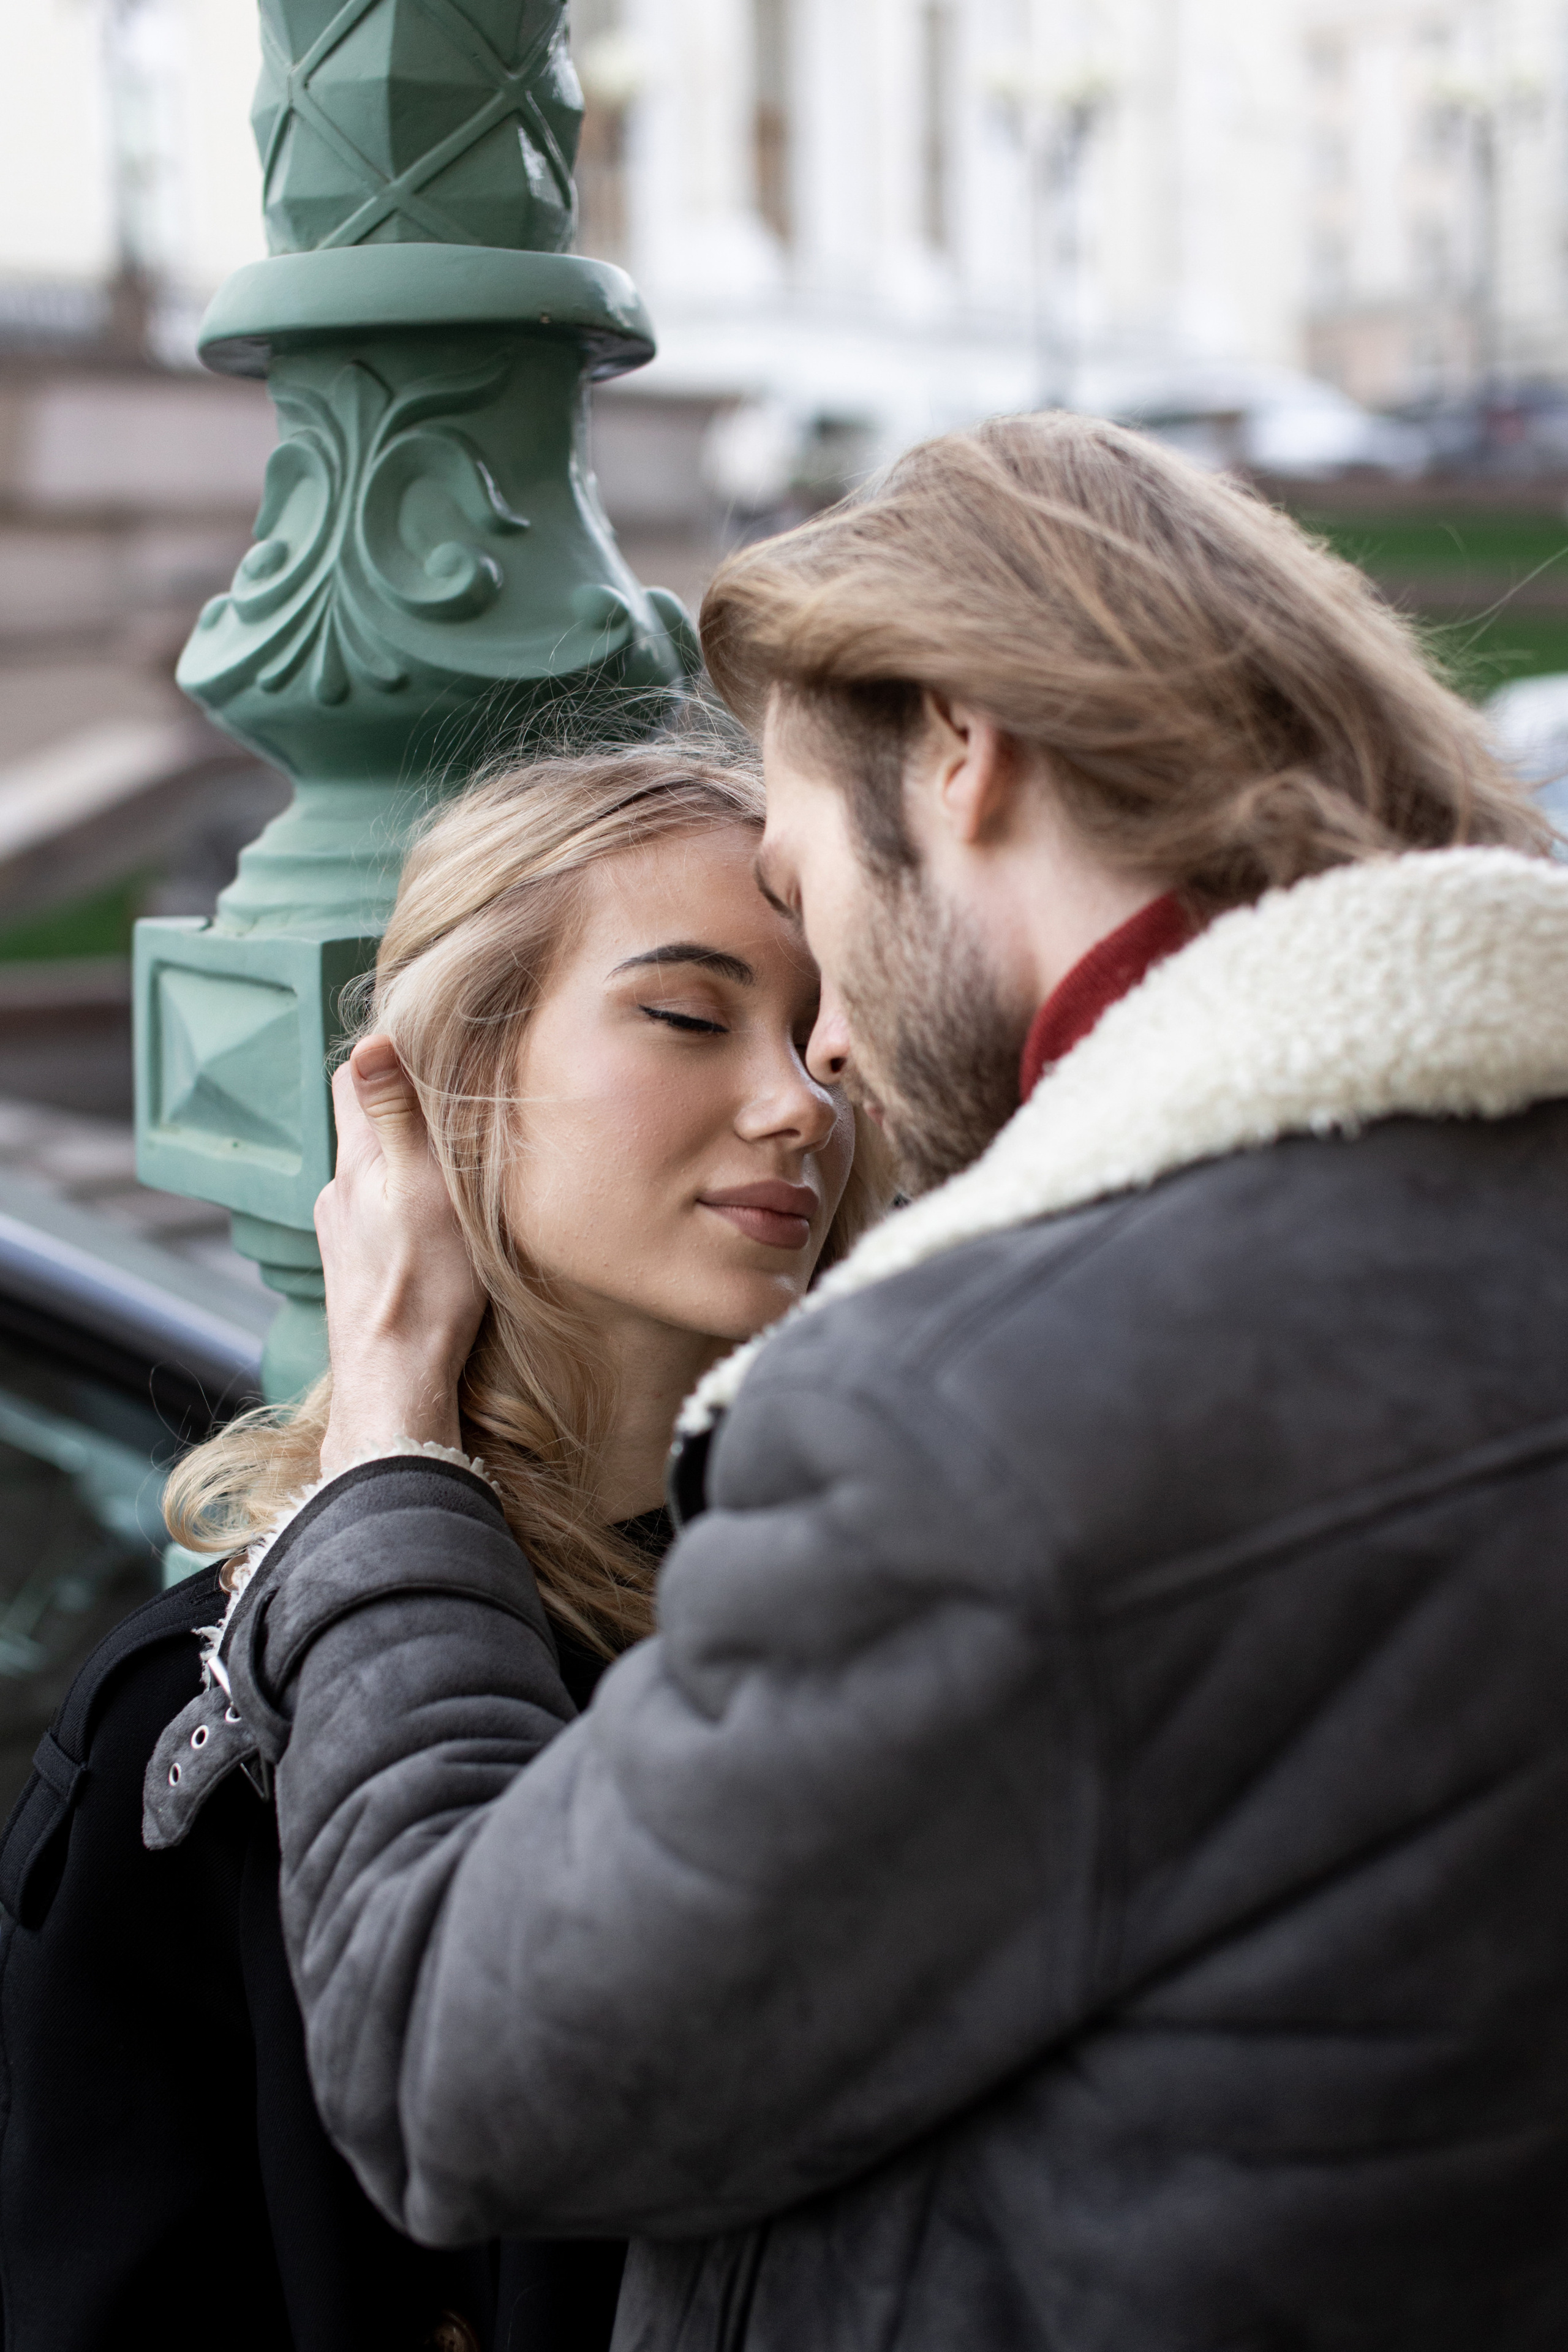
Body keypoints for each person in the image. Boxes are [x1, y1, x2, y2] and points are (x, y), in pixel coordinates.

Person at [216, 414, 1568, 2350]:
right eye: (690, 1010)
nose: (829, 1052)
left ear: (958, 747)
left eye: (800, 873)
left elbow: (461, 2066)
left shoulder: (986, 1417)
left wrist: (383, 1456)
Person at [0, 744, 881, 2352]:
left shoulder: (878, 1605)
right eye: (689, 1017)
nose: (793, 1103)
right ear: (445, 1078)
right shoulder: (202, 1734)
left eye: (829, 1033)